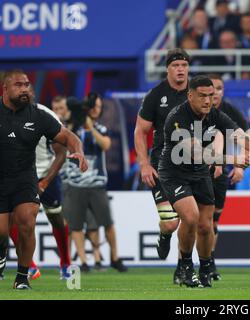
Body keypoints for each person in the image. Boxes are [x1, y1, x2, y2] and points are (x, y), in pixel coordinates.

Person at [158, 75, 250, 287]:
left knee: (205, 225)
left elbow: (239, 136)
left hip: (200, 173)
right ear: (190, 95)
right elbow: (196, 153)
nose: (208, 101)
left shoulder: (215, 115)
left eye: (211, 96)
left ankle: (204, 269)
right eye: (202, 96)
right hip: (174, 173)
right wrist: (233, 159)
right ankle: (184, 266)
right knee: (190, 217)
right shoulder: (177, 117)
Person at [0, 69, 87, 290]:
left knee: (27, 223)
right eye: (19, 85)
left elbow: (68, 137)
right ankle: (2, 254)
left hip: (26, 178)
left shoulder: (38, 114)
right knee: (1, 232)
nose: (25, 89)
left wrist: (79, 151)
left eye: (27, 85)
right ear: (5, 88)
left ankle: (22, 277)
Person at [134, 48, 190, 281]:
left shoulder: (195, 92)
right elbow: (140, 131)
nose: (180, 70)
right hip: (162, 167)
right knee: (171, 224)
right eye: (176, 66)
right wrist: (144, 165)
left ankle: (182, 267)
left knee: (190, 219)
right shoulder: (156, 95)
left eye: (184, 66)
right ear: (167, 69)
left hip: (190, 166)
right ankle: (164, 235)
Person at [62, 92, 127, 273]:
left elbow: (105, 144)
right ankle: (83, 261)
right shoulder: (72, 127)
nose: (97, 110)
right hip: (76, 183)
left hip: (97, 184)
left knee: (107, 222)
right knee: (75, 225)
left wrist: (90, 127)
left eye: (99, 107)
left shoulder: (99, 127)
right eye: (95, 107)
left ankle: (115, 257)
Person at [207, 74, 250, 280]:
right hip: (194, 171)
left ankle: (209, 262)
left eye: (220, 88)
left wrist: (240, 166)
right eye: (212, 88)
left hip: (219, 172)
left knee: (213, 221)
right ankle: (185, 264)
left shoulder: (230, 112)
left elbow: (247, 139)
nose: (216, 92)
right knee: (195, 221)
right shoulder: (193, 111)